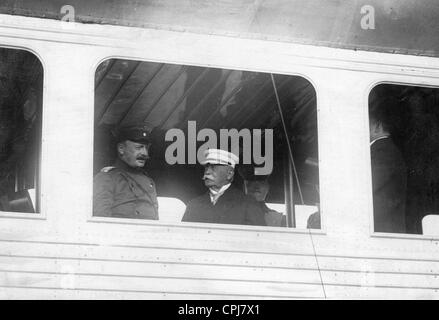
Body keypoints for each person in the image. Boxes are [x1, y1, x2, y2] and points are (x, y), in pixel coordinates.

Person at [182, 149, 266, 226]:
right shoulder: (194, 205)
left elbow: (260, 238)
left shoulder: (248, 203)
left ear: (229, 174)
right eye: (207, 167)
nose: (207, 172)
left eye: (213, 167)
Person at [93, 124, 158, 219]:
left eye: (146, 148)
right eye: (138, 147)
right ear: (121, 149)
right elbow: (102, 220)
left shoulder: (148, 181)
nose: (145, 153)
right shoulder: (107, 178)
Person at [369, 103, 407, 233]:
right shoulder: (384, 149)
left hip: (382, 230)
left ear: (377, 126)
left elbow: (368, 185)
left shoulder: (383, 151)